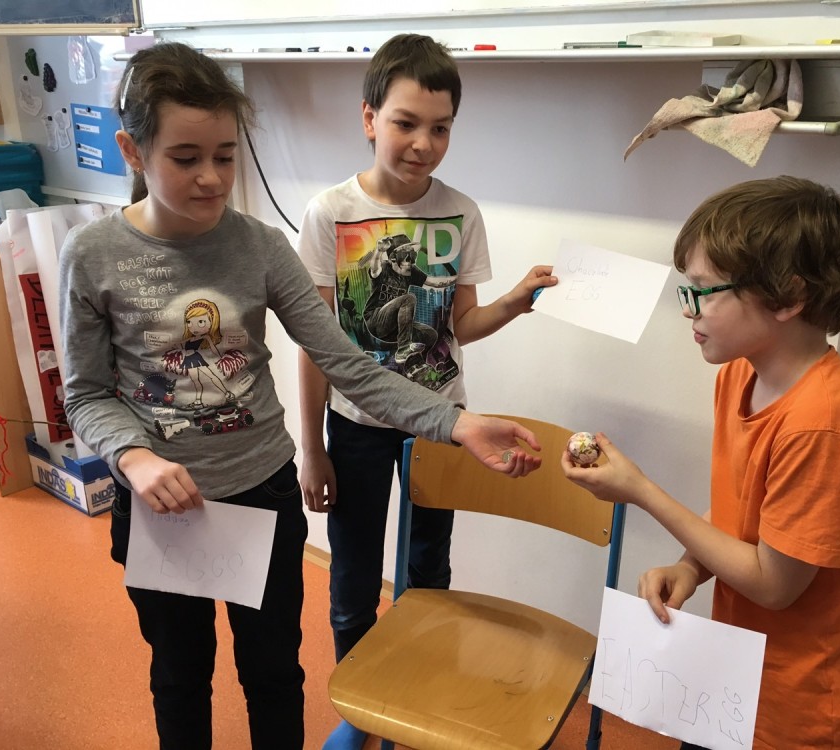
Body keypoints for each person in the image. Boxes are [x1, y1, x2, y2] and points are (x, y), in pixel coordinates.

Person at [57, 41, 541, 750]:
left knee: (274, 675)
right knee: (180, 677)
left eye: (225, 156)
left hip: (262, 494)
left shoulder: (260, 247)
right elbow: (86, 395)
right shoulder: (92, 254)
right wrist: (134, 458)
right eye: (185, 159)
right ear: (133, 150)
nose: (211, 178)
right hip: (161, 509)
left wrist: (455, 423)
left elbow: (347, 362)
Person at [562, 176, 840, 749]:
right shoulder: (740, 376)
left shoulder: (826, 424)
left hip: (811, 713)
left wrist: (641, 491)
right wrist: (691, 567)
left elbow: (774, 584)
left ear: (788, 297)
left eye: (704, 291)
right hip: (742, 682)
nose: (688, 310)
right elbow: (742, 512)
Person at [295, 33, 556, 750]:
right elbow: (315, 343)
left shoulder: (461, 212)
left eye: (441, 128)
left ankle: (418, 694)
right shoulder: (330, 213)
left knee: (428, 571)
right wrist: (312, 448)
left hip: (442, 423)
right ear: (369, 117)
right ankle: (359, 707)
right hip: (355, 425)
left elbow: (462, 325)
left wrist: (515, 302)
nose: (424, 144)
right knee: (353, 576)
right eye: (406, 123)